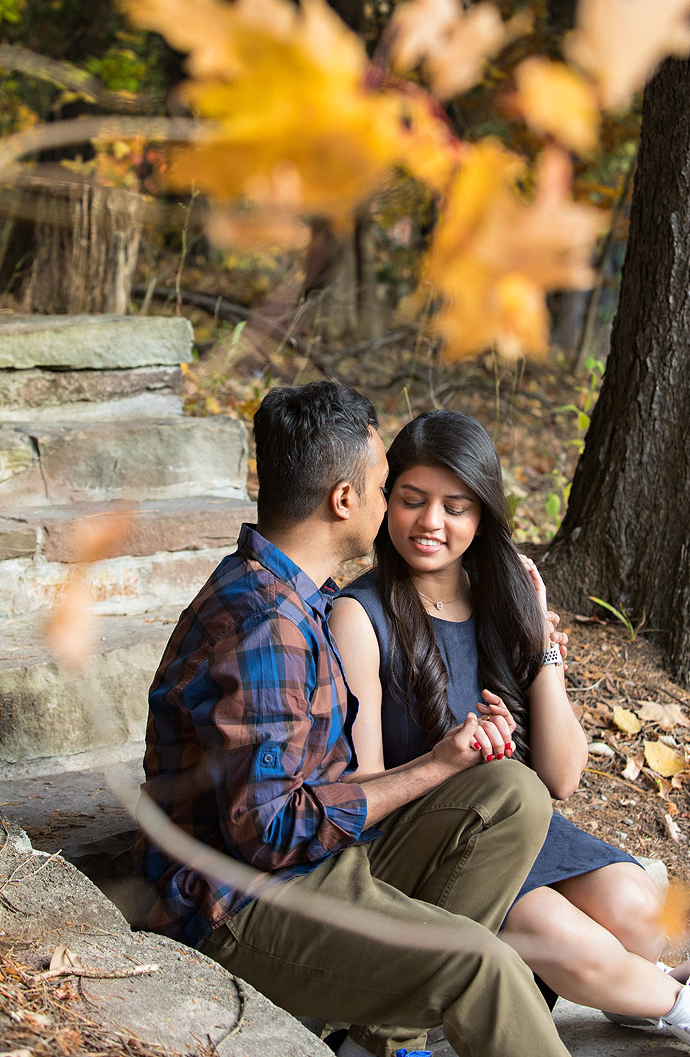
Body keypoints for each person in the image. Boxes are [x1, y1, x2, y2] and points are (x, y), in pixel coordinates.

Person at [329, 409, 690, 1057]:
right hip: (442, 844)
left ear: (482, 514)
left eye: (455, 506)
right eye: (412, 500)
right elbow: (360, 793)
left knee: (636, 909)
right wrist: (445, 760)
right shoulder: (360, 614)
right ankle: (689, 1008)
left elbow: (561, 779)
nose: (431, 523)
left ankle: (643, 986)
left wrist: (542, 645)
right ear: (385, 500)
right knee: (555, 932)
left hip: (523, 819)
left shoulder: (497, 594)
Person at [134, 381, 575, 1057]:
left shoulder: (296, 595)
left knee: (510, 792)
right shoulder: (265, 626)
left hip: (319, 864)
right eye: (382, 485)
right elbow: (271, 832)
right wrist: (432, 765)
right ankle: (400, 1013)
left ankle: (379, 1038)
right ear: (344, 500)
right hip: (243, 905)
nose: (388, 501)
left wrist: (454, 762)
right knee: (478, 962)